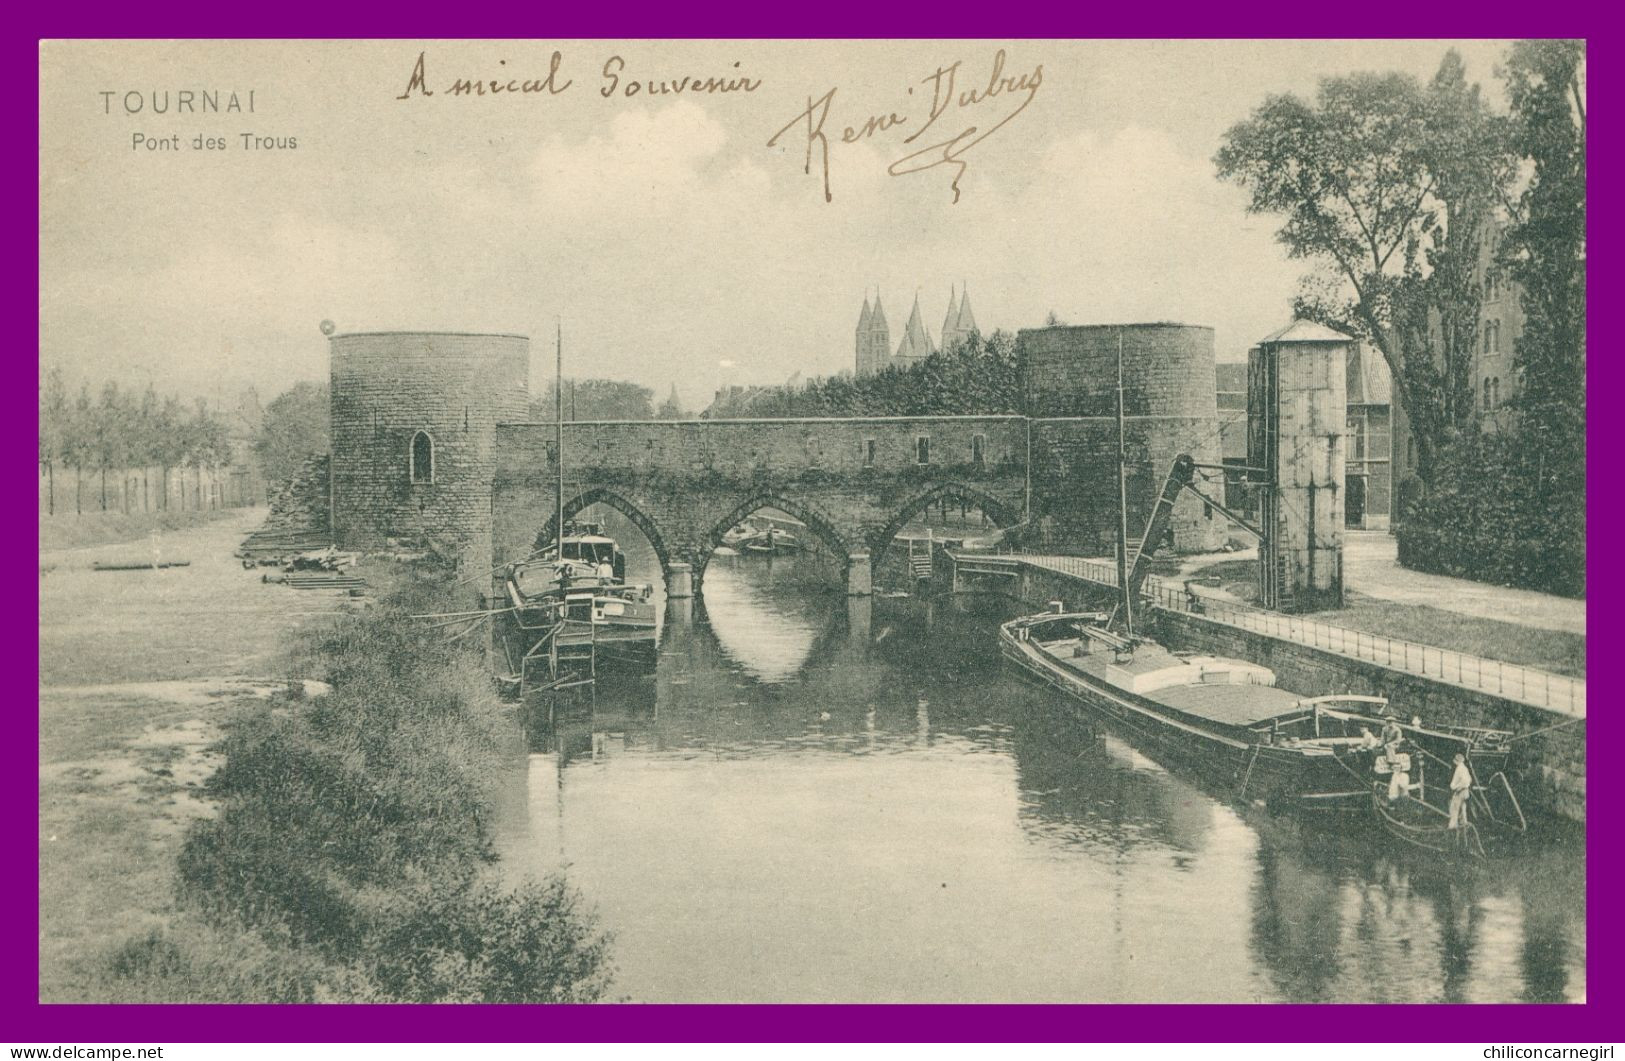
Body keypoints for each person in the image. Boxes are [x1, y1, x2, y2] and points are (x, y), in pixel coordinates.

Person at [1448, 753, 1473, 829]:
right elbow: (1470, 779)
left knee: (1454, 807)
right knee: (1463, 807)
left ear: (1457, 761)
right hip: (1465, 791)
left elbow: (1465, 781)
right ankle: (1463, 823)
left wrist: (1458, 788)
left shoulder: (1460, 768)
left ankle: (1452, 826)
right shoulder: (1464, 768)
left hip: (1461, 791)